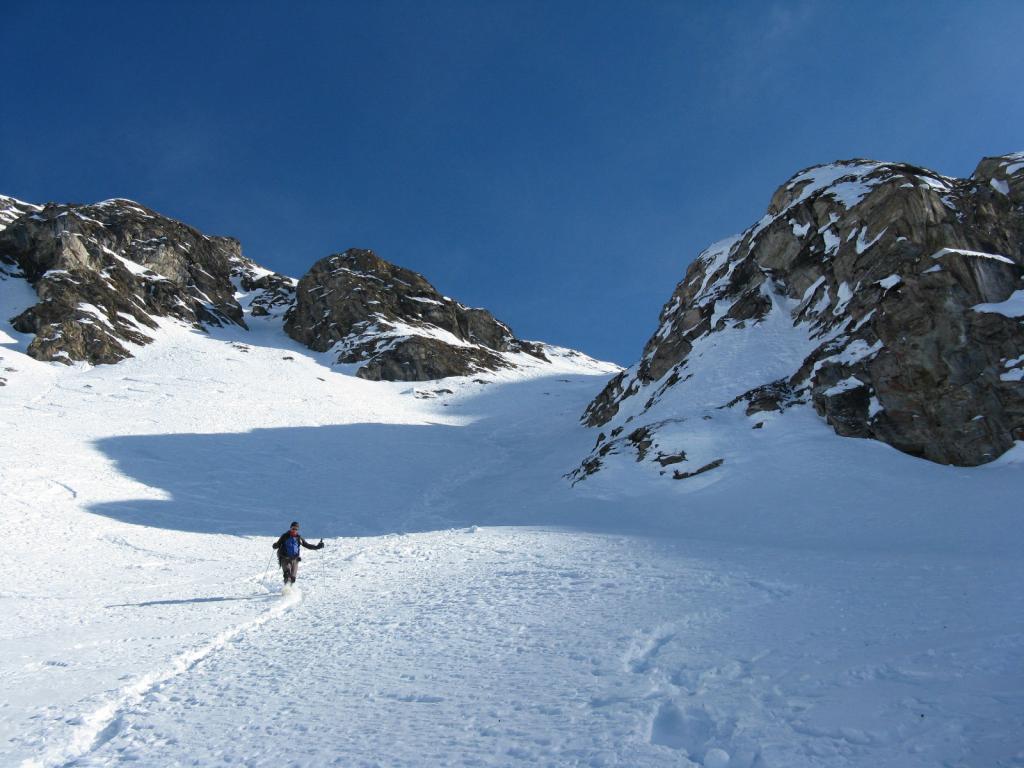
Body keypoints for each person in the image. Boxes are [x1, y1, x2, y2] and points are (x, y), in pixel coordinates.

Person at [272, 521, 323, 586]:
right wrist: (275, 545)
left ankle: (290, 589)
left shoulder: (299, 538)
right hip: (285, 559)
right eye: (293, 528)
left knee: (293, 578)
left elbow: (306, 545)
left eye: (296, 529)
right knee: (287, 575)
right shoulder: (285, 536)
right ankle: (286, 590)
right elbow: (278, 544)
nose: (294, 530)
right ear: (290, 528)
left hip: (295, 560)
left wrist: (317, 547)